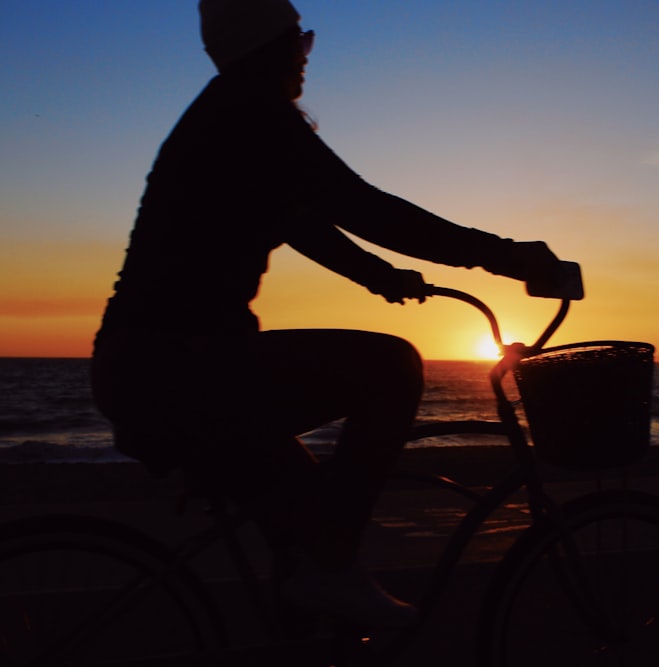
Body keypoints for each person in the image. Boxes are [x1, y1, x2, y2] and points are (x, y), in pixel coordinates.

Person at [90, 0, 565, 628]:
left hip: (147, 367)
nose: (305, 55)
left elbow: (303, 220)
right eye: (300, 41)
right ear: (270, 47)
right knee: (391, 366)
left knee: (303, 517)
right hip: (182, 368)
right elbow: (365, 207)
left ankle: (314, 598)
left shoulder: (227, 119)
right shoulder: (254, 117)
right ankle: (334, 567)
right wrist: (508, 257)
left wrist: (379, 276)